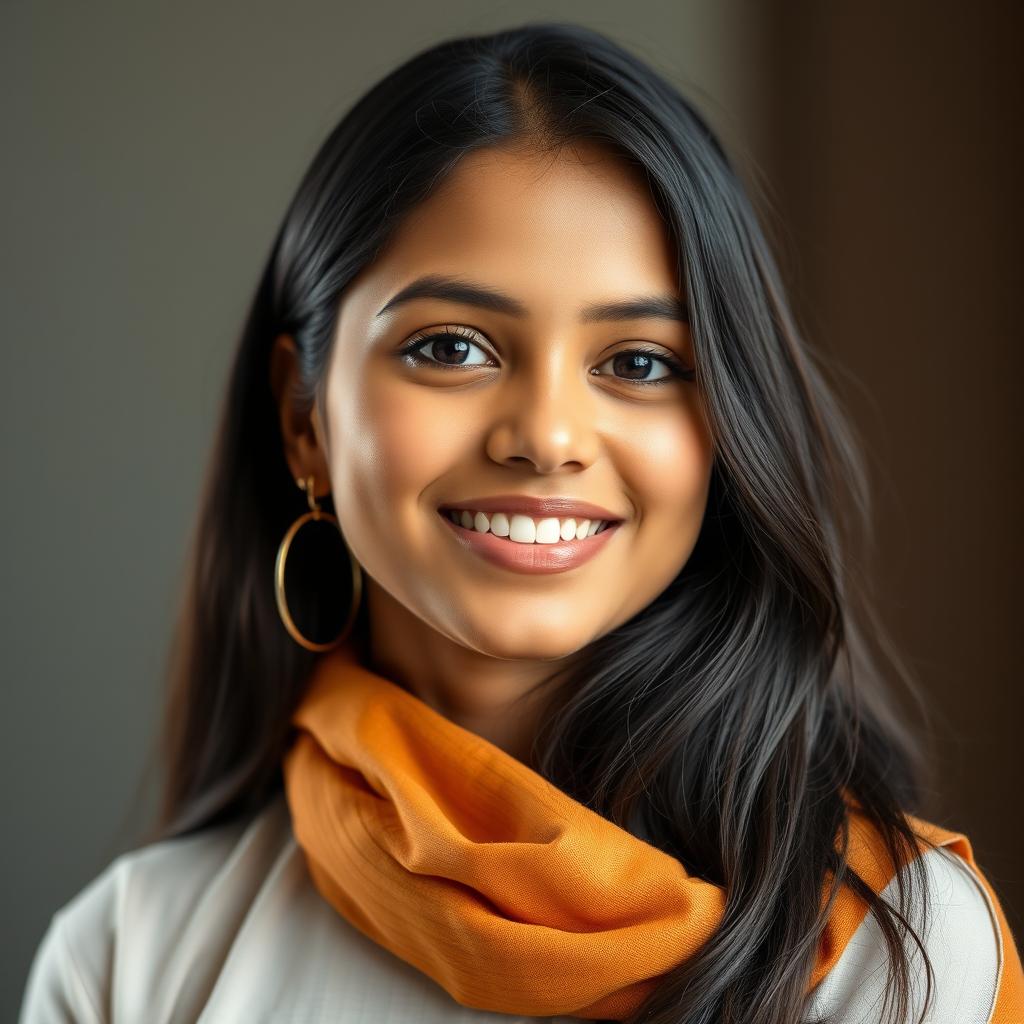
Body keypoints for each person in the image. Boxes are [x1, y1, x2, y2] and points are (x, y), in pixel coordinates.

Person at [18, 21, 1024, 1024]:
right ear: (303, 420)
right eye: (451, 347)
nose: (545, 437)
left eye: (637, 362)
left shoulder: (893, 947)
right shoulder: (129, 954)